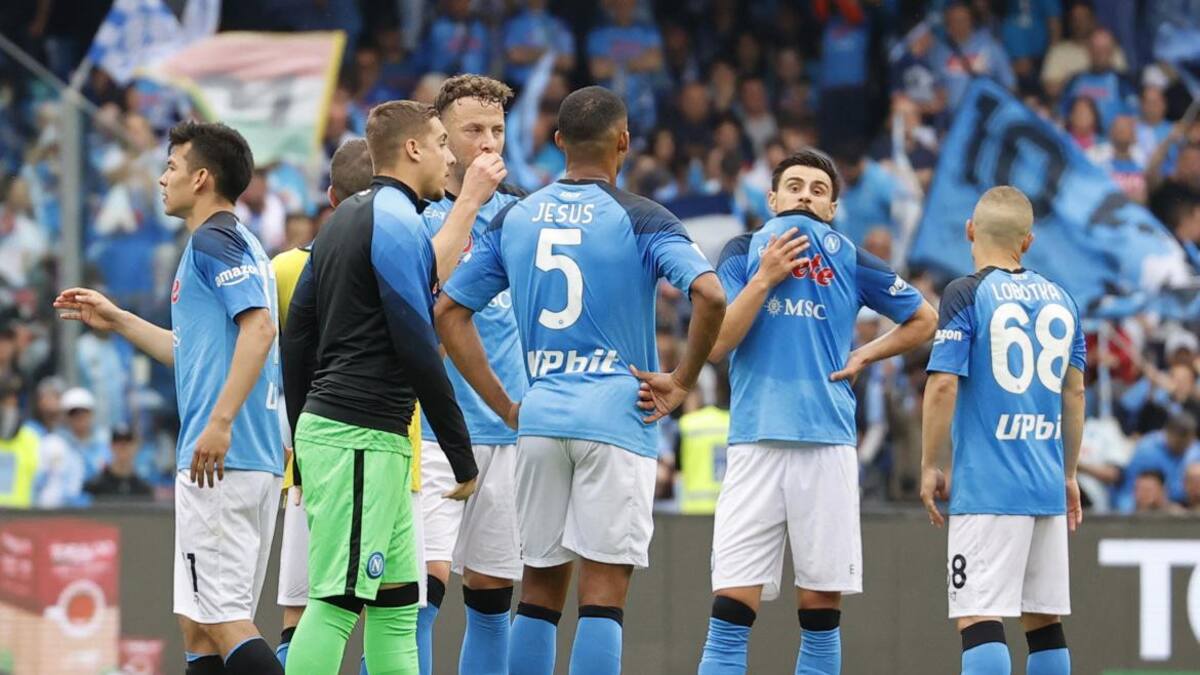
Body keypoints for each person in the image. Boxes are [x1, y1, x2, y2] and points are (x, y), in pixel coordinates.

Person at [435, 85, 726, 675]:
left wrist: (506, 404)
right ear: (623, 141)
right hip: (618, 418)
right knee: (603, 596)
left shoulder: (517, 215)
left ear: (559, 141)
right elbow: (710, 292)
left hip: (539, 420)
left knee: (539, 592)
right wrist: (681, 379)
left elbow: (448, 311)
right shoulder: (643, 217)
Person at [54, 120, 285, 675]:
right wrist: (119, 319)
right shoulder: (240, 242)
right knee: (200, 627)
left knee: (224, 620)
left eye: (172, 167)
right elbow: (197, 354)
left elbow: (260, 331)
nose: (162, 180)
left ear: (202, 178)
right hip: (245, 458)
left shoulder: (215, 240)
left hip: (221, 459)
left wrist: (221, 422)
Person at [279, 99, 499, 674]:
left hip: (363, 440)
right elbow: (417, 342)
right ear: (414, 149)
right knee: (336, 604)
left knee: (400, 607)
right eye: (443, 143)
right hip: (359, 436)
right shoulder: (397, 222)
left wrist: (303, 440)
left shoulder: (342, 220)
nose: (452, 156)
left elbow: (297, 338)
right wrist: (461, 455)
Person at [697, 148, 935, 675]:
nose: (806, 194)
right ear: (773, 198)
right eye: (796, 185)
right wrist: (765, 278)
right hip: (755, 442)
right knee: (731, 610)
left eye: (819, 190)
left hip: (826, 442)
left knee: (821, 613)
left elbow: (924, 318)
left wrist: (865, 354)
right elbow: (716, 346)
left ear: (831, 209)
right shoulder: (743, 250)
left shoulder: (847, 254)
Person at [921, 186, 1087, 675]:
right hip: (1044, 483)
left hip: (988, 485)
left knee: (978, 615)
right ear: (1029, 242)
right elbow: (1073, 394)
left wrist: (931, 464)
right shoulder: (1063, 299)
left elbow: (943, 386)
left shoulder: (966, 292)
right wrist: (1070, 472)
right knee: (1044, 622)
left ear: (970, 230)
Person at [416, 74, 526, 675]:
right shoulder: (416, 211)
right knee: (419, 596)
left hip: (507, 433)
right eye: (473, 130)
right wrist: (470, 201)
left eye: (497, 131)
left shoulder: (523, 217)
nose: (488, 144)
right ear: (441, 136)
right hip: (432, 431)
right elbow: (419, 291)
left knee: (491, 598)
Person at [84, 425, 153, 501]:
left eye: (128, 442)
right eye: (118, 443)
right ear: (110, 446)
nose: (123, 447)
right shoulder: (94, 486)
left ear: (136, 447)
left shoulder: (144, 489)